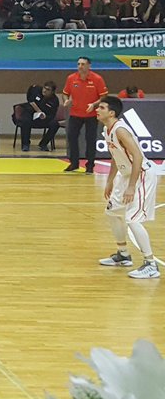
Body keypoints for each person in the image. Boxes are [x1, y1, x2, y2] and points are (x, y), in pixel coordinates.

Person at [95, 96, 159, 279]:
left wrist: (131, 186)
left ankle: (151, 264)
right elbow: (116, 156)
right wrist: (109, 181)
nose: (97, 110)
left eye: (101, 107)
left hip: (141, 175)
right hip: (125, 175)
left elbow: (137, 156)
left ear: (111, 113)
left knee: (133, 219)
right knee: (112, 212)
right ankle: (123, 255)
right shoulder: (107, 130)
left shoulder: (121, 130)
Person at [62, 56, 107, 174]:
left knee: (90, 139)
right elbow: (65, 93)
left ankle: (90, 165)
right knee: (72, 138)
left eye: (83, 64)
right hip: (75, 113)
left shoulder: (97, 79)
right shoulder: (71, 78)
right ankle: (74, 163)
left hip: (91, 115)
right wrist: (66, 100)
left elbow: (103, 96)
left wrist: (94, 104)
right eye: (78, 64)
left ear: (89, 66)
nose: (80, 66)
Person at [18, 81, 61, 152]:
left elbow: (52, 115)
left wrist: (44, 116)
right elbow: (31, 101)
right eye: (44, 88)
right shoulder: (36, 90)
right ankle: (25, 144)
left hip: (43, 118)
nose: (45, 90)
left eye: (48, 90)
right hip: (30, 113)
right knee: (25, 120)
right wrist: (38, 111)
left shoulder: (54, 100)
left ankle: (43, 144)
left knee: (55, 124)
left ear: (52, 92)